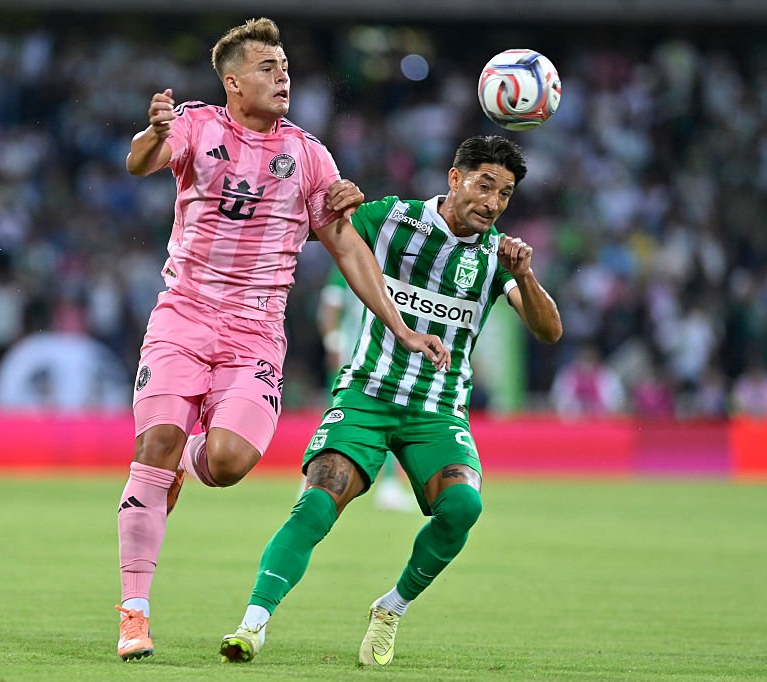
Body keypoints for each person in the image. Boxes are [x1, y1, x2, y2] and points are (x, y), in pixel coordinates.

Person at [114, 17, 448, 661]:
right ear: (233, 82)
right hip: (183, 317)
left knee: (229, 463)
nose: (283, 77)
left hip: (256, 332)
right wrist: (152, 132)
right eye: (267, 68)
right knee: (152, 445)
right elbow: (141, 161)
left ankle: (185, 461)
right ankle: (135, 612)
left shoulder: (310, 155)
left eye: (286, 67)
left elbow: (346, 246)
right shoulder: (195, 125)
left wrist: (400, 325)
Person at [219, 136, 562, 666]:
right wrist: (331, 199)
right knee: (317, 502)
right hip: (368, 393)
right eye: (485, 185)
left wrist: (526, 276)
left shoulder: (499, 257)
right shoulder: (394, 219)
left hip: (437, 410)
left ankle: (391, 608)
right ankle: (252, 624)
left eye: (505, 193)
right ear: (454, 178)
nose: (493, 202)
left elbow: (549, 330)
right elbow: (312, 227)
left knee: (463, 507)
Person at [319, 266, 416, 512]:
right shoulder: (349, 263)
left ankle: (389, 485)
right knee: (339, 418)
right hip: (351, 357)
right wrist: (333, 344)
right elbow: (329, 308)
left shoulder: (394, 266)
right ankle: (317, 475)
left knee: (389, 416)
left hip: (384, 360)